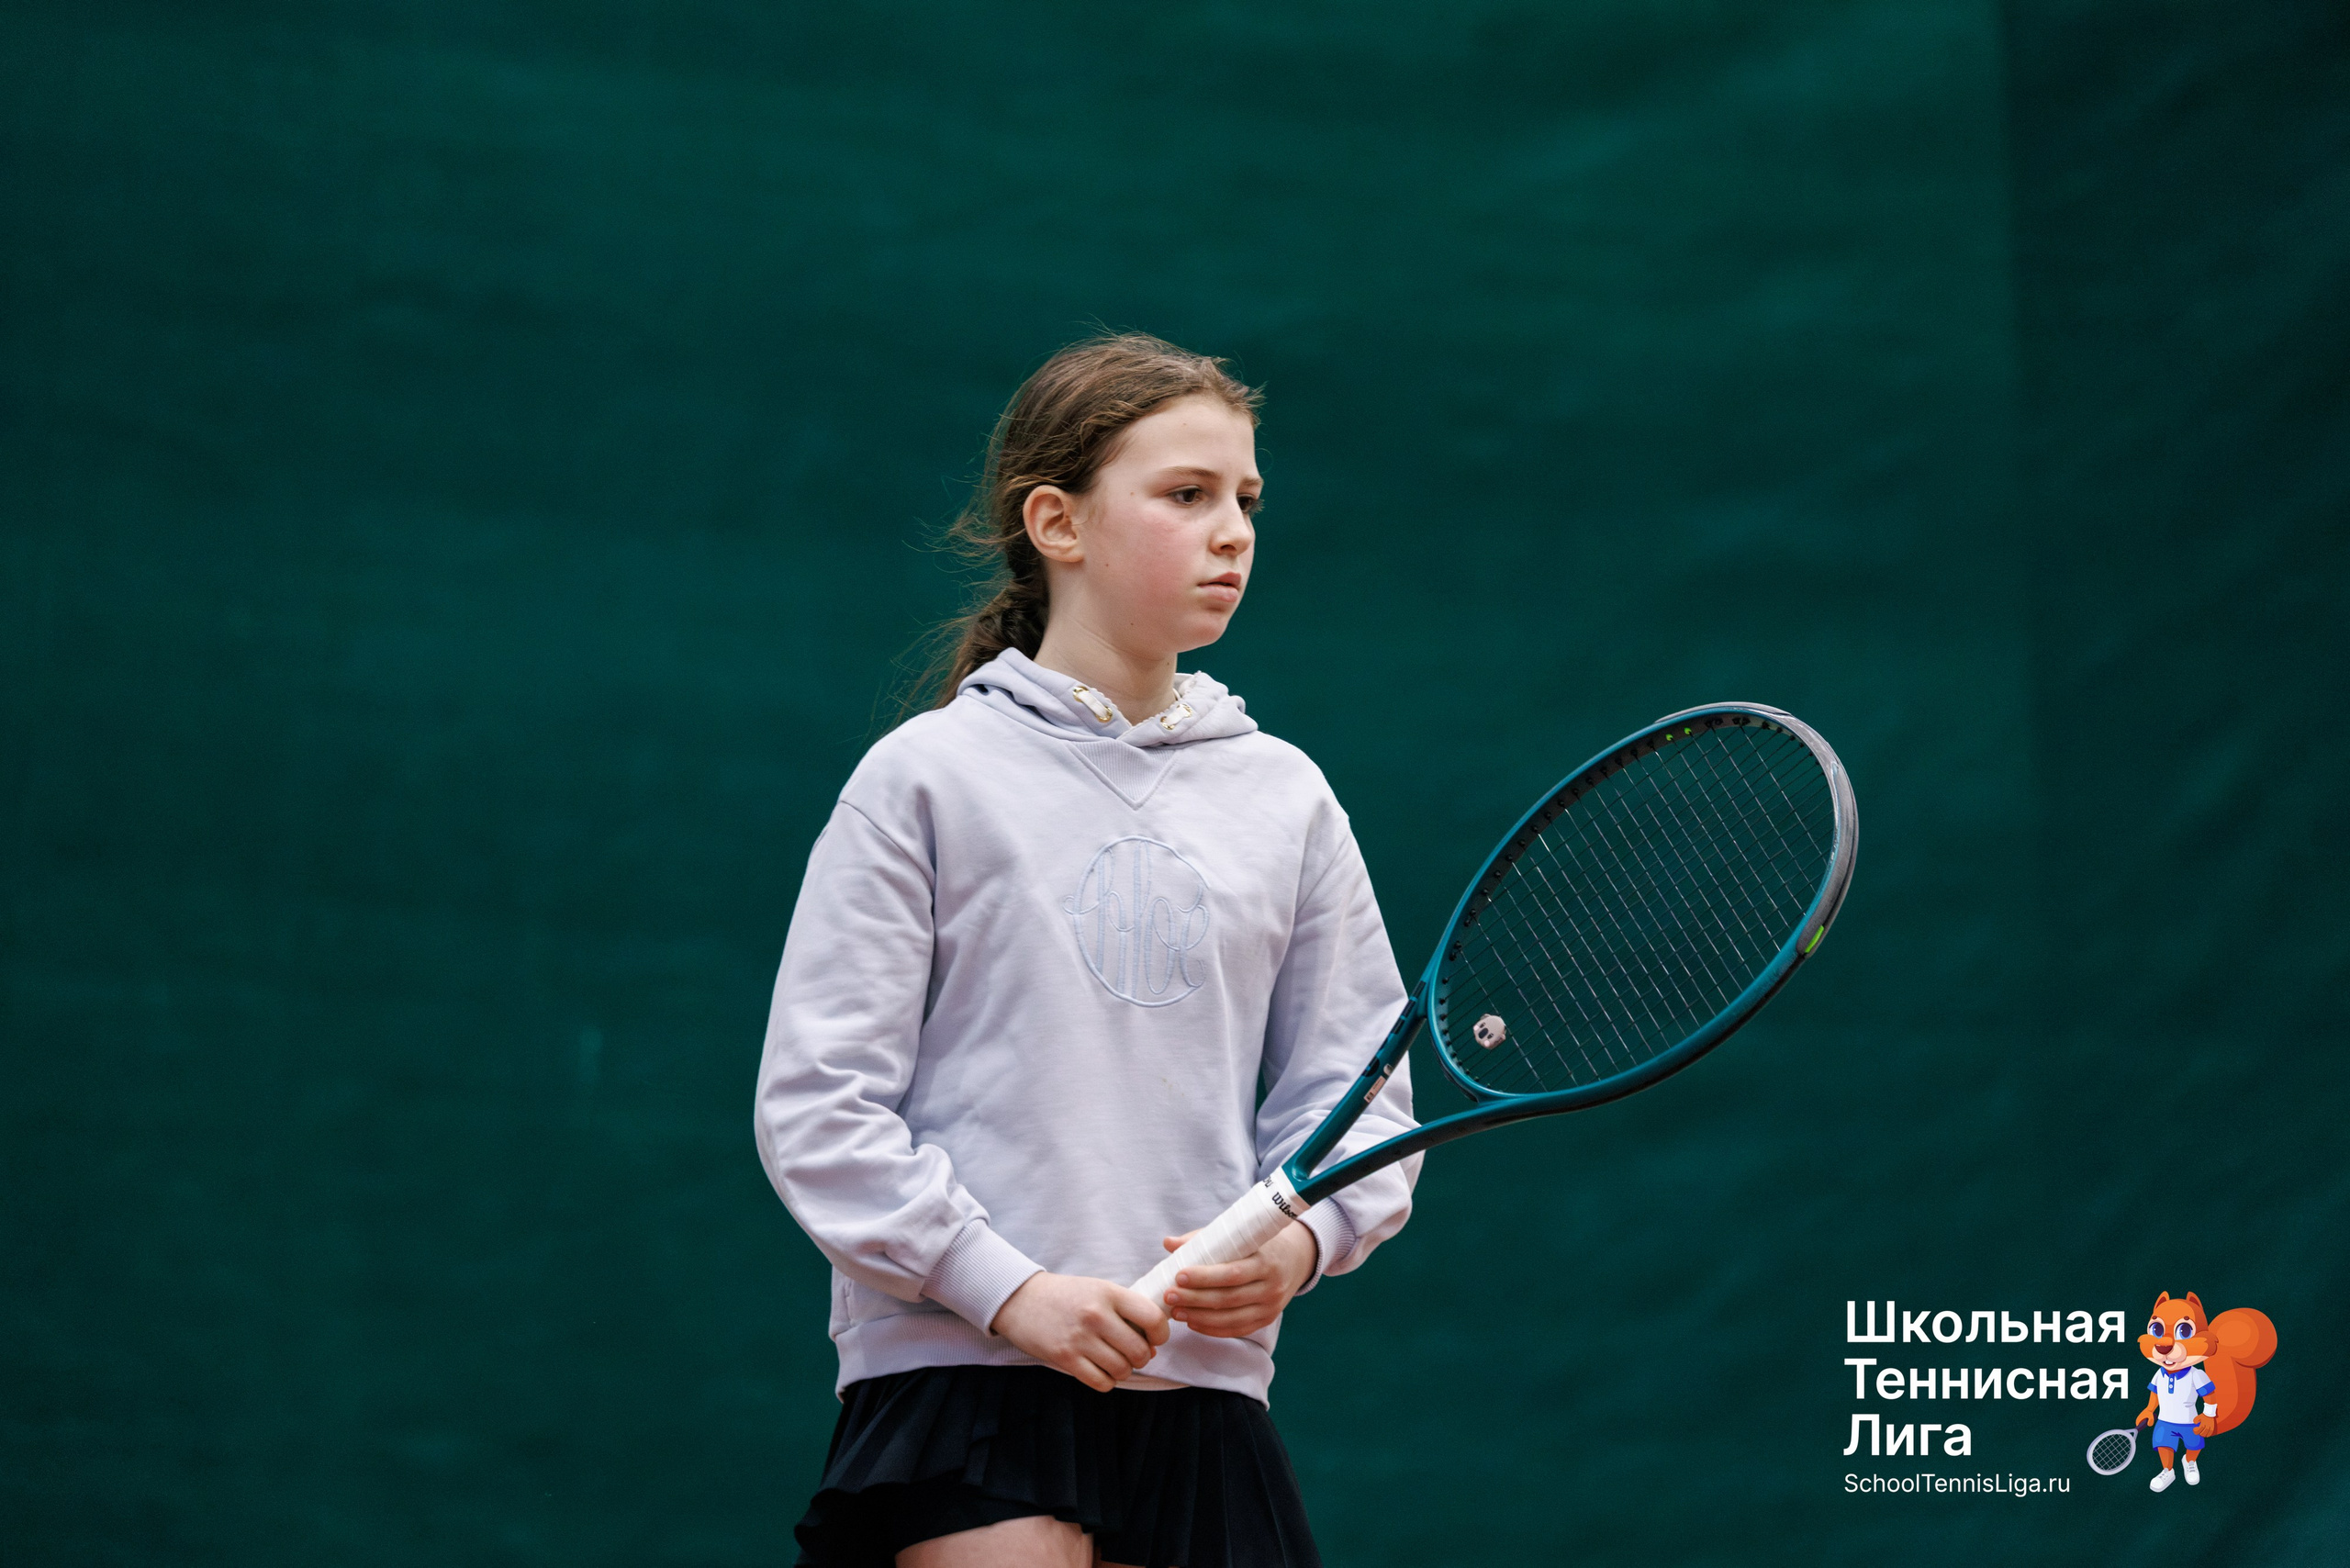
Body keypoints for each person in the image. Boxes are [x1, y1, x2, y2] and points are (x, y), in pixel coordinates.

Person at [755, 331, 1420, 1568]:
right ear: (1056, 522)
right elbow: (820, 1108)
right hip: (963, 1381)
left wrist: (1297, 1242)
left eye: (1247, 500)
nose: (1235, 531)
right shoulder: (926, 781)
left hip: (1206, 1401)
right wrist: (1012, 1291)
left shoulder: (1290, 800)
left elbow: (1361, 1102)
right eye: (1186, 494)